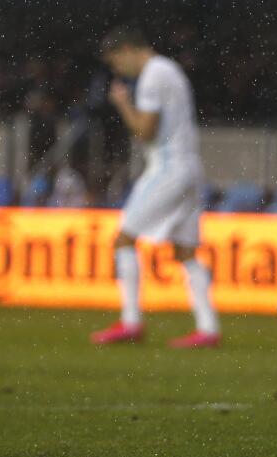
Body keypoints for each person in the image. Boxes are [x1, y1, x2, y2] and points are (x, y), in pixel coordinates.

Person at [90, 27, 220, 348]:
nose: (118, 71)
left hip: (168, 168)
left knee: (123, 239)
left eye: (116, 63)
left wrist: (122, 103)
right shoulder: (170, 69)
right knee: (186, 250)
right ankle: (208, 328)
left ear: (128, 49)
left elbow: (145, 132)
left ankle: (131, 322)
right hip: (190, 166)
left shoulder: (151, 76)